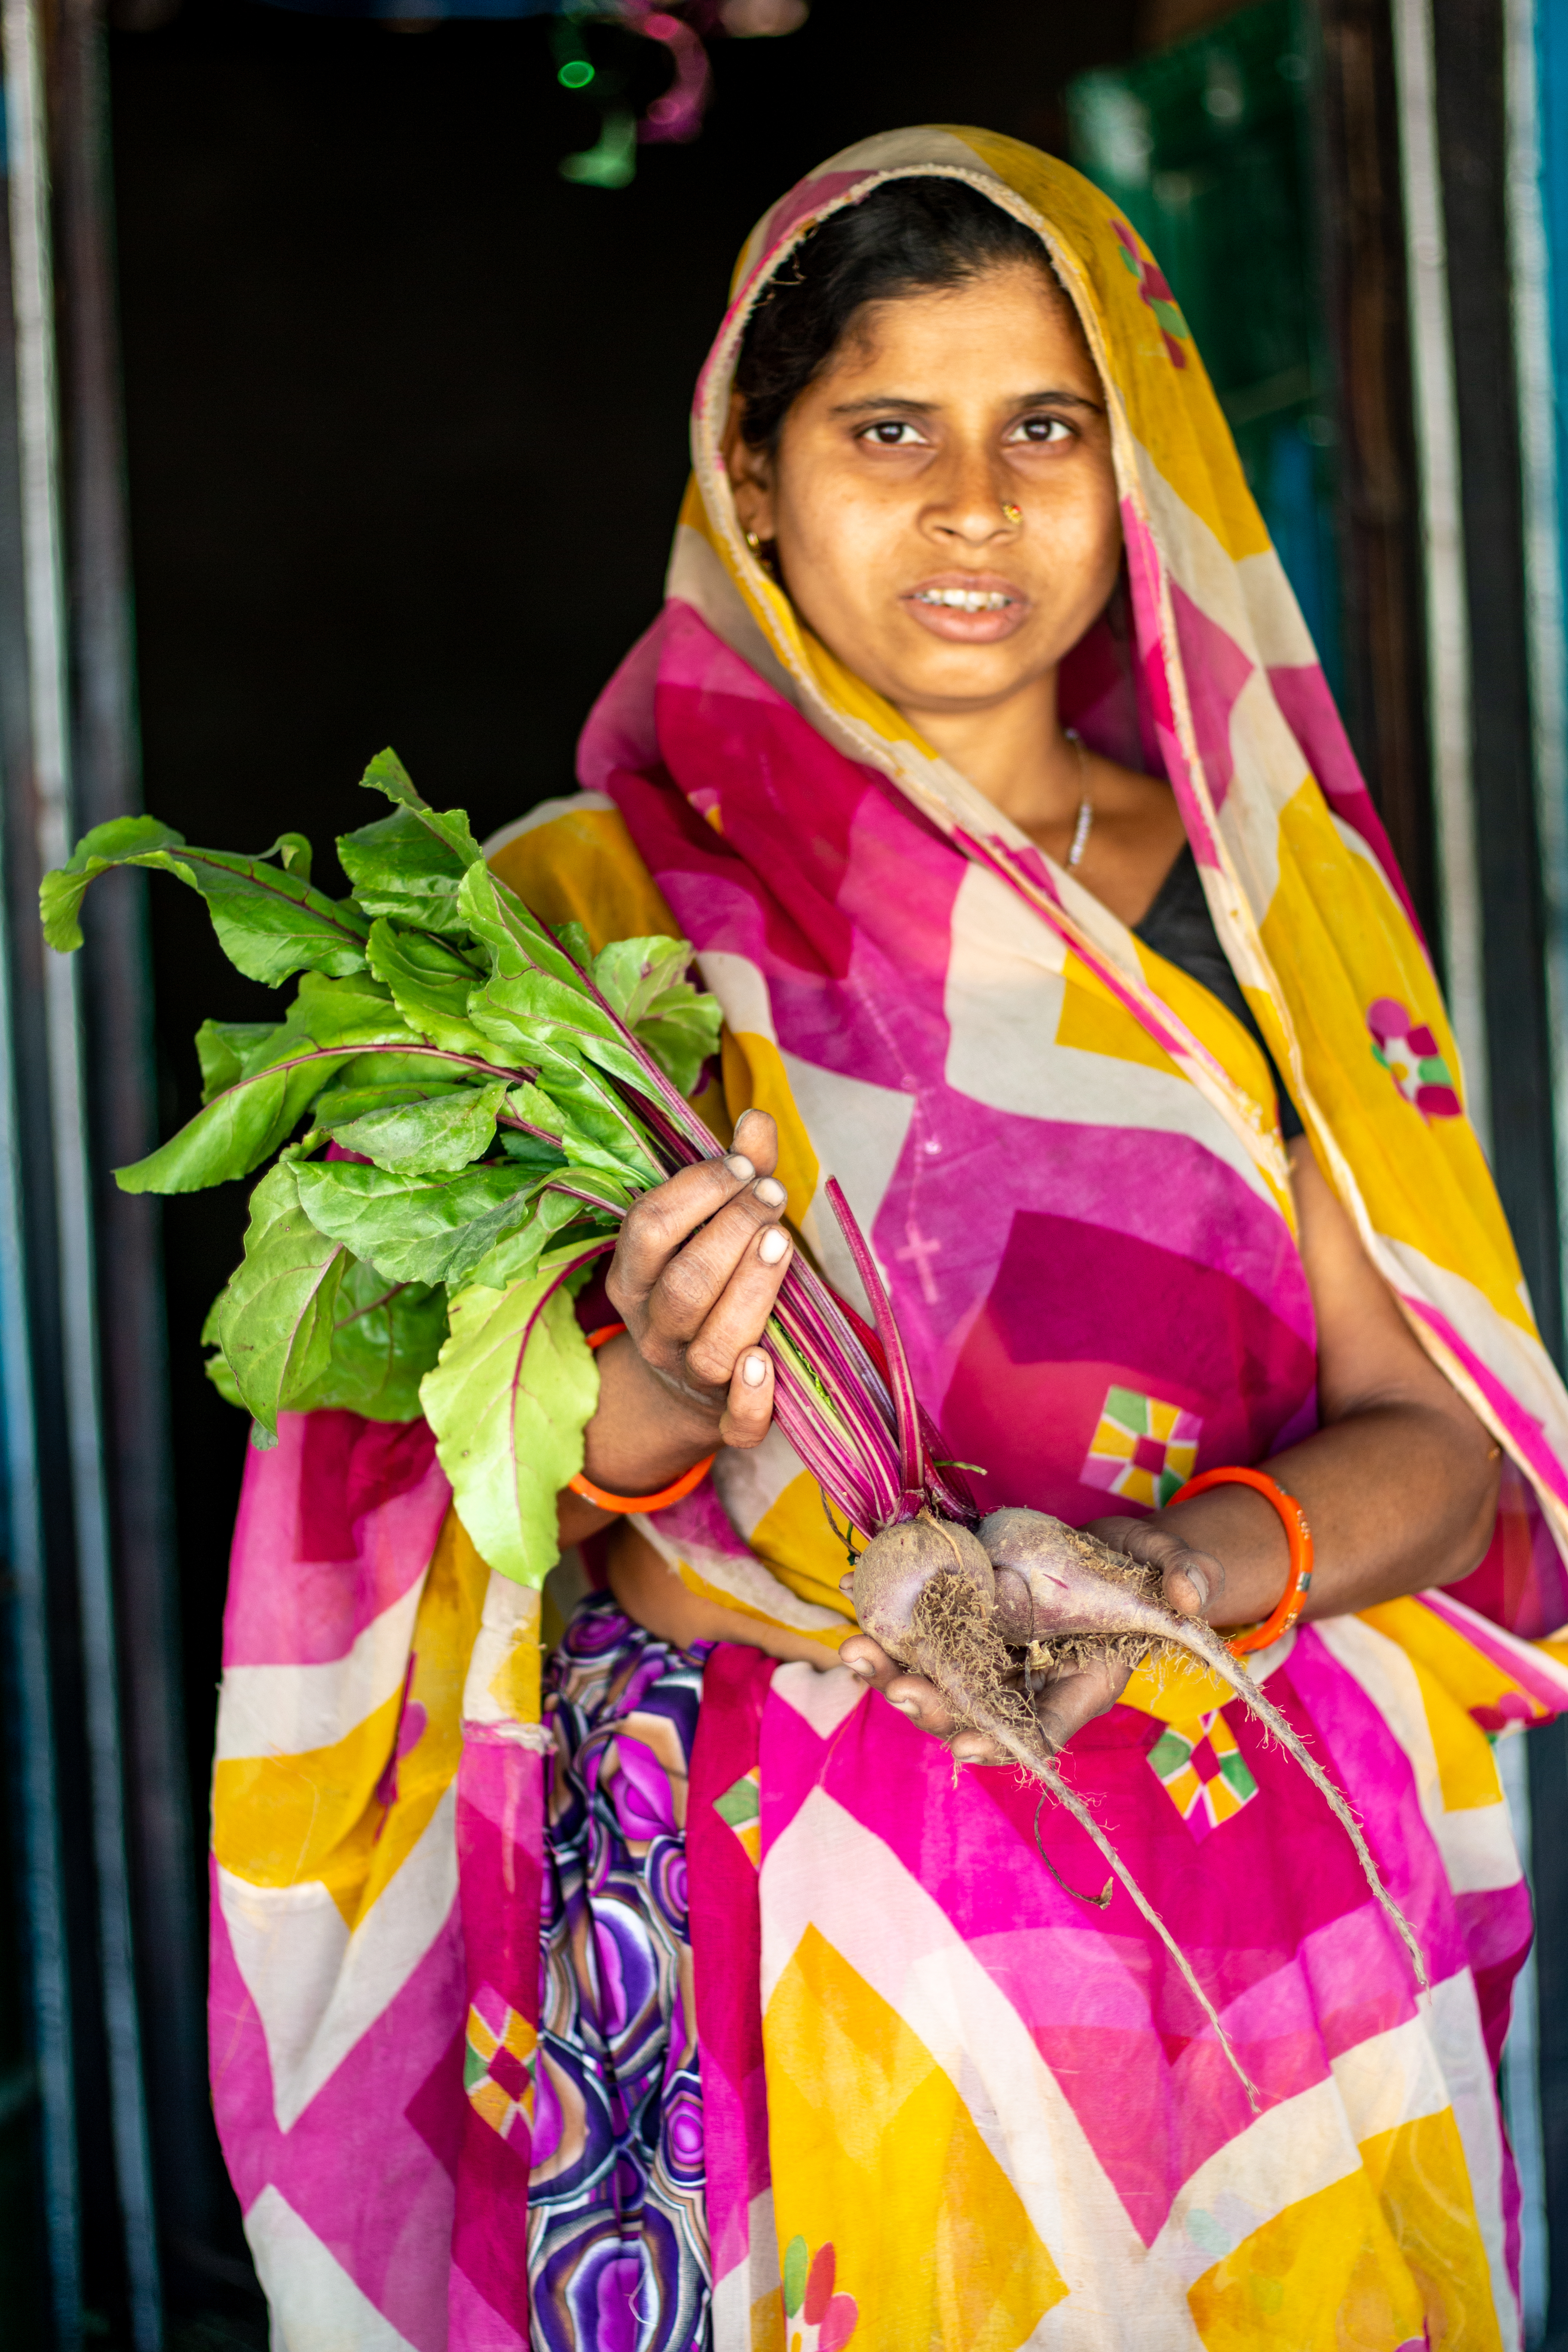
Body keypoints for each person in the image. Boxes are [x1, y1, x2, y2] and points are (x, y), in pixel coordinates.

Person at [210, 131, 1568, 2352]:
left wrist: (1160, 1579)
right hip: (795, 1986)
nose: (975, 504)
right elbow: (468, 1502)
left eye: (1048, 426)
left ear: (1135, 468)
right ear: (751, 479)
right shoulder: (591, 928)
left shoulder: (1257, 902)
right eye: (886, 429)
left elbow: (1446, 1449)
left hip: (1249, 1975)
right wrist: (649, 1369)